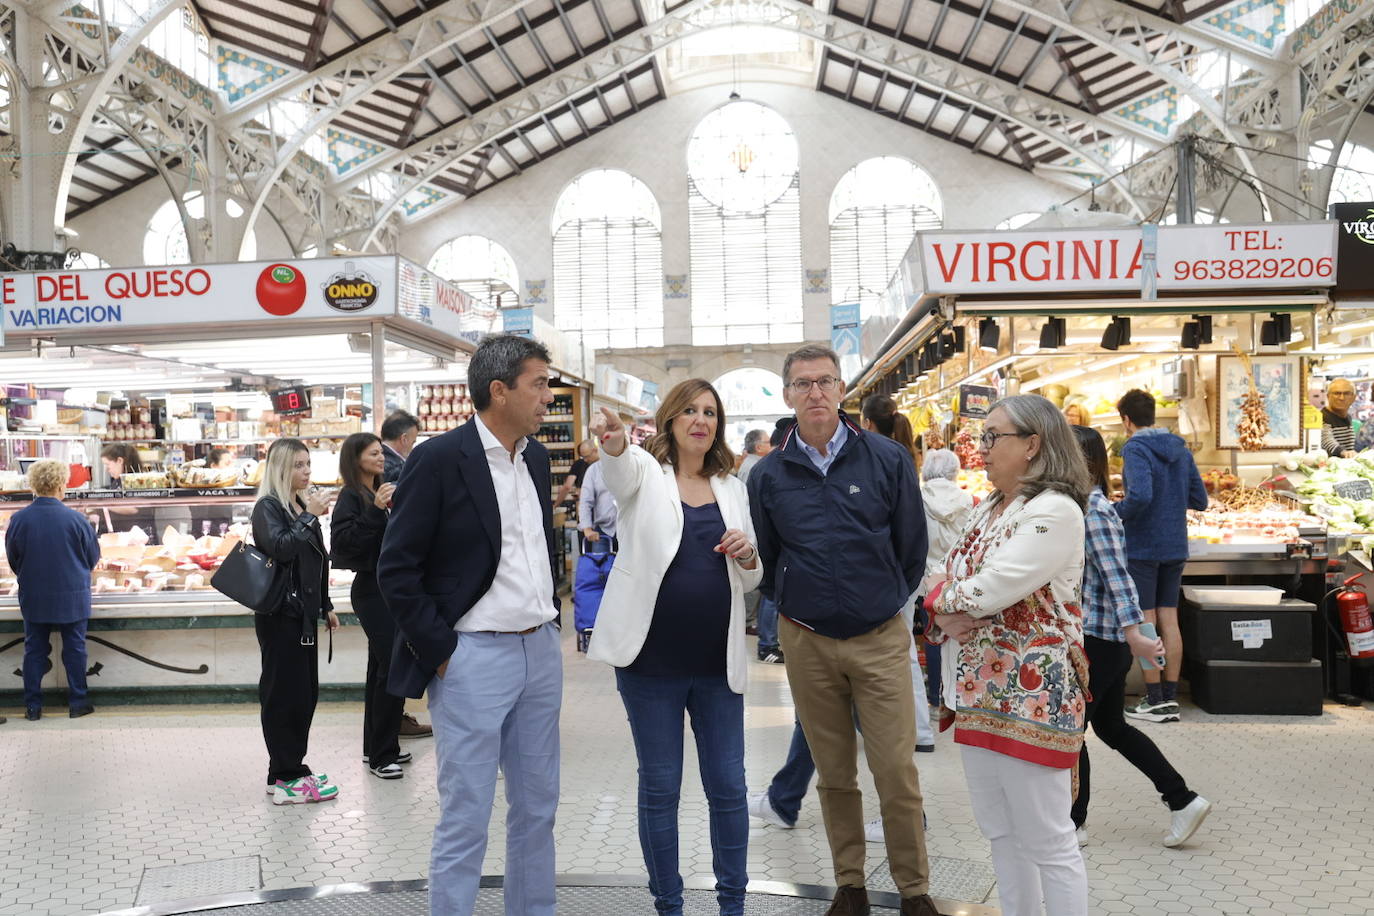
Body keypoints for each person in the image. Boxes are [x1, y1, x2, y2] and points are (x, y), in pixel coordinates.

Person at [748, 344, 937, 916]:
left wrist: (877, 601)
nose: (815, 393)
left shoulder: (885, 458)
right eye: (803, 384)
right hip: (806, 639)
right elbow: (768, 555)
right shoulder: (769, 473)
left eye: (826, 382)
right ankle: (849, 885)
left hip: (879, 636)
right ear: (787, 395)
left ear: (842, 390)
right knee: (833, 772)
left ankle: (914, 891)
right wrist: (799, 607)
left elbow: (912, 549)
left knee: (896, 769)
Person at [378, 334, 562, 916]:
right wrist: (442, 652)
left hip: (540, 650)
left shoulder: (533, 456)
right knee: (467, 809)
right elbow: (396, 567)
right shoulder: (438, 460)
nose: (548, 396)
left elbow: (533, 547)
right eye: (539, 384)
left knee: (537, 807)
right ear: (499, 390)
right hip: (473, 656)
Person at [587, 379, 761, 916]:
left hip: (717, 666)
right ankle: (669, 903)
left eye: (709, 412)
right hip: (651, 665)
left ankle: (732, 903)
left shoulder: (732, 486)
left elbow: (750, 581)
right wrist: (614, 443)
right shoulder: (645, 474)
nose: (700, 420)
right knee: (661, 787)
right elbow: (619, 468)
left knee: (729, 788)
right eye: (689, 410)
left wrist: (748, 556)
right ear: (670, 419)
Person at [925, 394, 1089, 916]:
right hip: (977, 693)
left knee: (1048, 839)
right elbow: (944, 573)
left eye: (994, 437)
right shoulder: (990, 508)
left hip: (1032, 700)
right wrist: (942, 603)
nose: (982, 449)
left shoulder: (1055, 511)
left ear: (1033, 444)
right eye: (983, 437)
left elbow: (991, 587)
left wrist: (941, 601)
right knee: (1000, 832)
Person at [1070, 425, 1213, 848]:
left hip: (1100, 639)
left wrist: (1135, 633)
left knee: (1070, 730)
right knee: (1112, 727)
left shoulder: (1095, 512)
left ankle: (1073, 822)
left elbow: (1119, 580)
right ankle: (1182, 799)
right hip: (1101, 636)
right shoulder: (1080, 508)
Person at [252, 438, 340, 805]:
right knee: (283, 695)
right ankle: (286, 774)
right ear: (281, 469)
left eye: (308, 464)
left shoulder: (297, 504)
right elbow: (281, 548)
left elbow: (316, 559)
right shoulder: (268, 508)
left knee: (304, 694)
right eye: (299, 465)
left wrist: (325, 604)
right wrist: (309, 518)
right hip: (279, 616)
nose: (307, 471)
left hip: (302, 614)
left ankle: (289, 768)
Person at [1115, 389, 1208, 723]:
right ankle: (1170, 697)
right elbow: (1200, 499)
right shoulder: (1180, 448)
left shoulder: (1136, 448)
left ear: (1126, 419)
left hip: (1143, 546)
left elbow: (1139, 497)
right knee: (1170, 618)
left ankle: (1154, 699)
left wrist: (1115, 511)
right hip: (1175, 544)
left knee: (1146, 619)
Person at [860, 393, 935, 755]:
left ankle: (911, 729)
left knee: (894, 652)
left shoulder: (879, 458)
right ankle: (917, 728)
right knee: (900, 650)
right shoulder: (906, 454)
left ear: (869, 424)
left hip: (889, 575)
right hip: (903, 574)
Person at [330, 432, 406, 780]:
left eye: (381, 452)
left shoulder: (380, 490)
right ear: (355, 458)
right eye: (373, 453)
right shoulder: (351, 496)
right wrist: (376, 511)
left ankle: (373, 745)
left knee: (380, 668)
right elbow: (344, 545)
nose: (380, 458)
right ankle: (382, 754)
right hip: (370, 589)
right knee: (392, 666)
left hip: (389, 587)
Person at [6, 459, 100, 721]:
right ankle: (78, 703)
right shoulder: (77, 519)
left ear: (34, 484)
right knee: (74, 648)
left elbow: (14, 559)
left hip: (34, 595)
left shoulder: (19, 519)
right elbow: (92, 558)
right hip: (72, 595)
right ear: (61, 484)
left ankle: (33, 707)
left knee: (34, 649)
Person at [376, 409, 433, 741]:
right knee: (387, 660)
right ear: (406, 437)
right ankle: (390, 727)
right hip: (382, 581)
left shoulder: (392, 464)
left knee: (383, 663)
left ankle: (392, 724)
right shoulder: (398, 466)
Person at [916, 448, 973, 708]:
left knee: (933, 634)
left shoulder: (917, 498)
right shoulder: (969, 500)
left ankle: (934, 697)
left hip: (928, 579)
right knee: (960, 632)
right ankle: (958, 691)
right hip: (960, 578)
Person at [575, 422, 618, 651]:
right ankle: (598, 625)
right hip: (602, 534)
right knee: (599, 580)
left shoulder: (629, 466)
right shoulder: (593, 471)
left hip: (628, 532)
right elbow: (586, 501)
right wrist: (587, 528)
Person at [555, 438, 598, 508]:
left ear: (595, 450)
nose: (585, 460)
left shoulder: (579, 464)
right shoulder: (606, 463)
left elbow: (567, 486)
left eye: (587, 456)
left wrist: (555, 505)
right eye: (583, 457)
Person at [380, 410, 420, 484]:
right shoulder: (396, 469)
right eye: (413, 442)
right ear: (404, 439)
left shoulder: (379, 460)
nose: (412, 448)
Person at [1321, 378, 1358, 457]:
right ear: (1328, 396)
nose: (1341, 398)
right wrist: (1343, 452)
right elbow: (1326, 439)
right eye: (1337, 393)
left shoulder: (1348, 417)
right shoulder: (1322, 417)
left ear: (1353, 397)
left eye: (1346, 393)